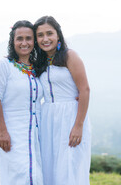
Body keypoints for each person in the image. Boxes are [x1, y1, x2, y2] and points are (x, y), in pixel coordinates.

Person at [33, 16, 91, 185]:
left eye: (49, 33)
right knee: (50, 166)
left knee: (70, 166)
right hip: (48, 118)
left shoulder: (69, 56)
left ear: (58, 34)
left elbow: (85, 90)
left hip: (70, 116)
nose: (45, 39)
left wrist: (78, 126)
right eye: (40, 35)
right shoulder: (40, 61)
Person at [0, 21, 43, 185]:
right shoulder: (3, 66)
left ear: (34, 41)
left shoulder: (36, 69)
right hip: (11, 131)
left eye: (28, 38)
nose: (24, 43)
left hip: (34, 132)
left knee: (34, 175)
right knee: (16, 175)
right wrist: (2, 131)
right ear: (12, 41)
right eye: (20, 38)